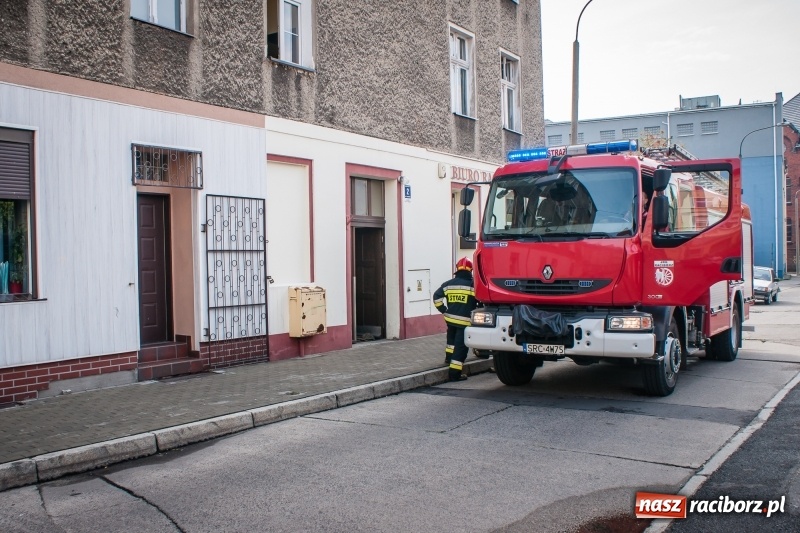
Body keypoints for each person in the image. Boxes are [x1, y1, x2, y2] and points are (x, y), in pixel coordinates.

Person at [433, 257, 478, 382]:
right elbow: (480, 302)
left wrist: (443, 310)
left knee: (451, 343)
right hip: (465, 323)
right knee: (460, 348)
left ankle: (448, 358)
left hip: (450, 320)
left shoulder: (448, 284)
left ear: (457, 269)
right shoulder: (473, 285)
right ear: (471, 270)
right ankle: (454, 374)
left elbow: (436, 297)